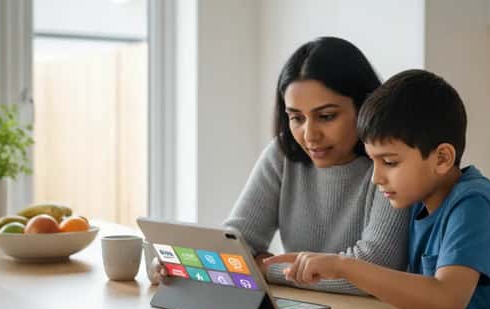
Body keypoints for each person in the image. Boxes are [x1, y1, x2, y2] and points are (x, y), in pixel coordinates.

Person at [264, 69, 490, 309]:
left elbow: (446, 302)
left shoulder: (474, 204)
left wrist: (343, 266)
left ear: (442, 158)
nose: (376, 178)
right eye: (373, 162)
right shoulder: (420, 202)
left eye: (390, 162)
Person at [149, 37, 411, 295]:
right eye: (296, 118)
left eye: (327, 116)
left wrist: (266, 268)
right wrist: (178, 263)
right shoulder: (282, 155)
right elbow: (234, 245)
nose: (309, 135)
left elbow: (375, 268)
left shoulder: (390, 163)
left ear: (364, 106)